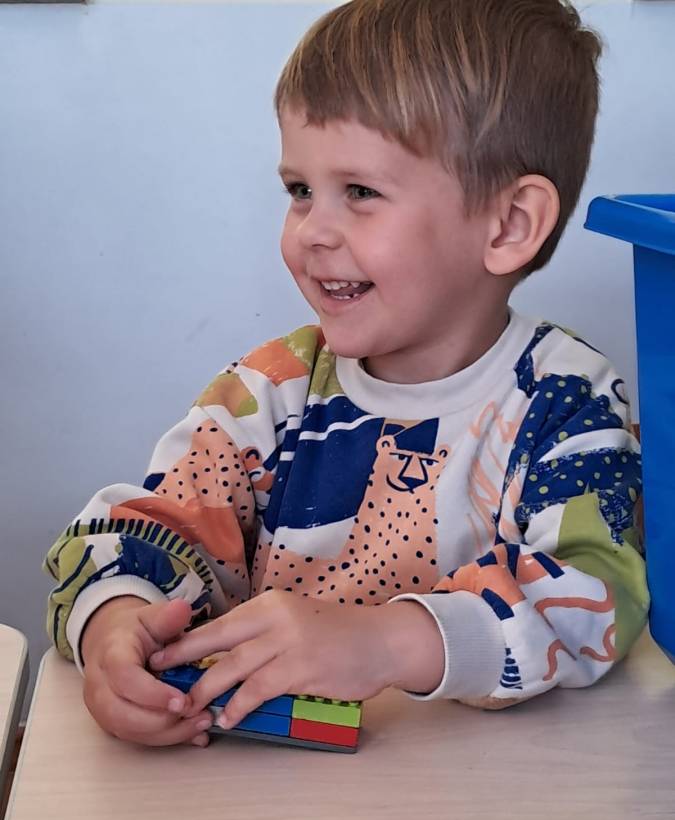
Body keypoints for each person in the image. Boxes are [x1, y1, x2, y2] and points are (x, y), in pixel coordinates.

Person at [45, 0, 649, 749]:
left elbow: (596, 595)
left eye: (359, 192)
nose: (311, 232)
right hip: (268, 798)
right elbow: (142, 533)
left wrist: (388, 642)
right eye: (300, 190)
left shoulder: (566, 401)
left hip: (485, 800)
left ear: (508, 224)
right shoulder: (271, 390)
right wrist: (115, 623)